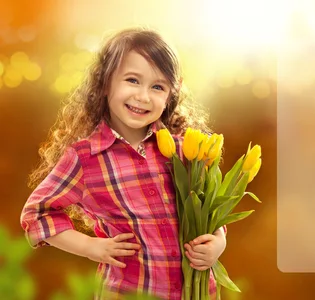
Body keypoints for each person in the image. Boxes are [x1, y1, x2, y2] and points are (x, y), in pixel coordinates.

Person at [20, 27, 226, 300]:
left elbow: (210, 210)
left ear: (169, 96)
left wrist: (218, 243)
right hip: (127, 291)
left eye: (157, 86)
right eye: (132, 80)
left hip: (197, 293)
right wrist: (91, 247)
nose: (143, 96)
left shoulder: (184, 149)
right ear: (105, 84)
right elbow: (36, 215)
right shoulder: (85, 158)